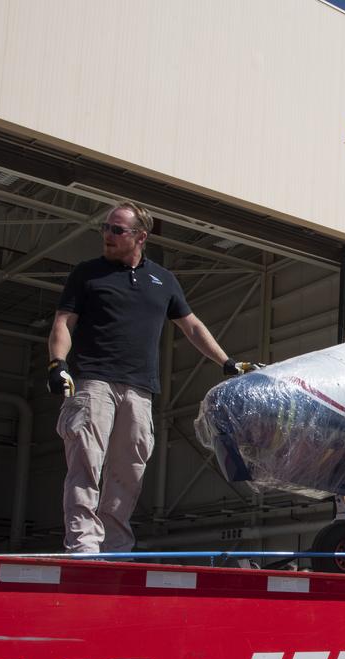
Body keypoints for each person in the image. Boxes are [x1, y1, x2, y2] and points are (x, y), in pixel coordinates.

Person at [47, 201, 259, 553]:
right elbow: (63, 322)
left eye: (117, 230)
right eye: (105, 227)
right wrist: (57, 363)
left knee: (129, 470)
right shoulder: (87, 273)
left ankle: (115, 548)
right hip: (94, 382)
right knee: (86, 462)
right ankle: (84, 544)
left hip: (140, 391)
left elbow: (192, 326)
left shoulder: (163, 280)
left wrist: (227, 362)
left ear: (140, 236)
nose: (107, 234)